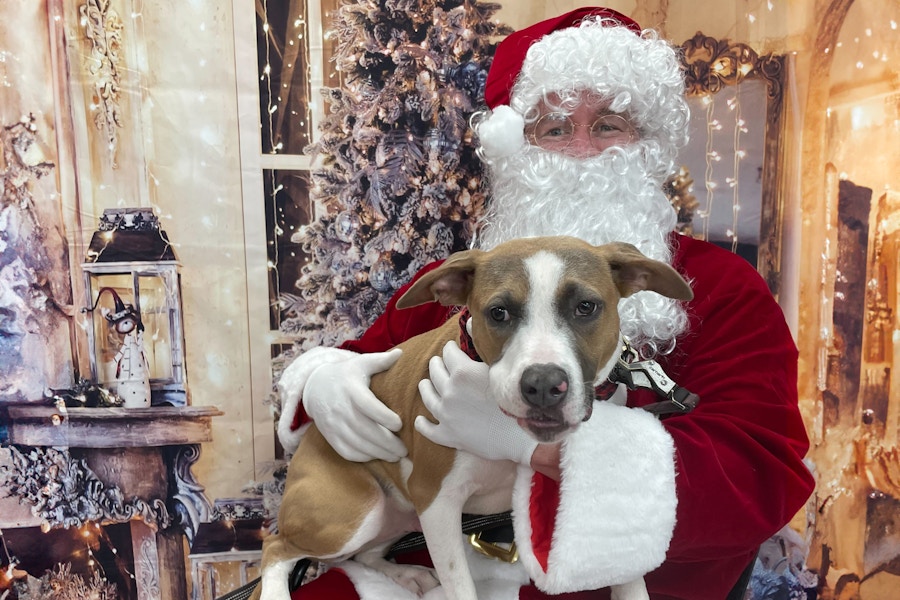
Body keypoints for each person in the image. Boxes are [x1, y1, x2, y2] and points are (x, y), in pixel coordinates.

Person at [276, 7, 816, 599]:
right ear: (518, 147)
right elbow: (369, 360)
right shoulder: (463, 279)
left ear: (647, 142)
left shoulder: (721, 288)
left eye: (609, 124)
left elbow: (760, 475)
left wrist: (536, 448)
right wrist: (326, 383)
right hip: (430, 570)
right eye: (555, 128)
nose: (581, 150)